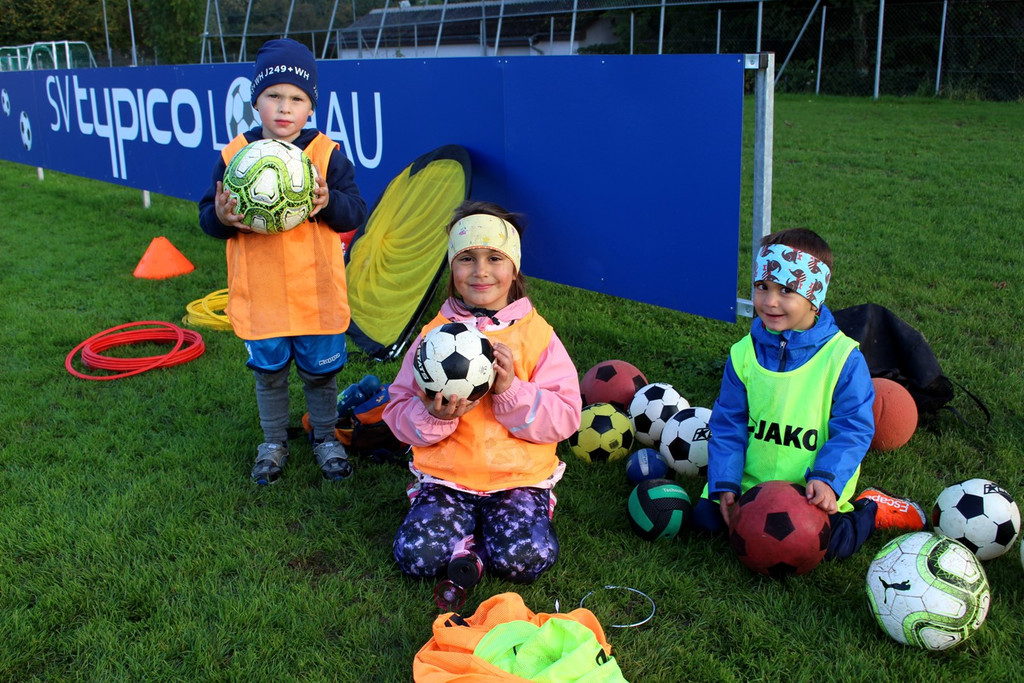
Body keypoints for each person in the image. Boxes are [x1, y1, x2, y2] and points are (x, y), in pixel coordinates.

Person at [692, 228, 927, 560]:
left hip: (810, 488)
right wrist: (726, 484)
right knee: (706, 522)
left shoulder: (843, 358)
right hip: (752, 484)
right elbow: (728, 423)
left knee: (829, 547)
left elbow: (854, 429)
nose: (770, 301)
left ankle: (871, 508)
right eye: (762, 287)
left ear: (814, 297)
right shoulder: (743, 354)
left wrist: (828, 480)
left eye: (787, 290)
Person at [382, 201, 582, 583]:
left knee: (527, 558)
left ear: (514, 267)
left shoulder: (538, 336)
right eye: (466, 258)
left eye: (494, 258)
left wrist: (511, 391)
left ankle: (494, 531)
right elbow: (396, 411)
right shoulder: (432, 338)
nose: (480, 272)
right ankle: (467, 541)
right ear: (451, 266)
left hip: (517, 479)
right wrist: (432, 417)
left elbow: (567, 416)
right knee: (416, 556)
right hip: (448, 479)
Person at [198, 38, 368, 484]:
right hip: (263, 296)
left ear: (310, 107)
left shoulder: (327, 156)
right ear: (256, 101)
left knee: (320, 375)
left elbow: (355, 211)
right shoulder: (235, 157)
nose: (284, 107)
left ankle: (326, 436)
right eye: (273, 96)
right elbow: (207, 217)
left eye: (296, 98)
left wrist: (330, 201)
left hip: (316, 295)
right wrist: (221, 216)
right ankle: (273, 441)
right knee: (269, 376)